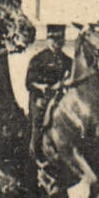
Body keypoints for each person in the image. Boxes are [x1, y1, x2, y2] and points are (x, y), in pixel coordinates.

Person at [24, 24, 73, 163]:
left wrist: (63, 84)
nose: (57, 43)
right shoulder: (38, 59)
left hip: (60, 97)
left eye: (60, 40)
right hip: (41, 97)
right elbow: (29, 82)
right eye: (54, 39)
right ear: (48, 39)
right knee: (38, 120)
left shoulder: (68, 60)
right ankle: (36, 153)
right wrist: (43, 87)